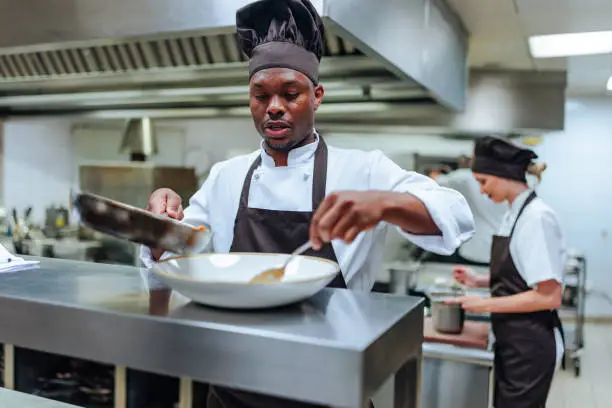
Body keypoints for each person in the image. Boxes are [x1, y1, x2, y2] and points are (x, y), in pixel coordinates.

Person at [140, 0, 475, 406]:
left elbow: (455, 213)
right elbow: (181, 253)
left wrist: (387, 204)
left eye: (290, 93)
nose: (274, 107)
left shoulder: (363, 169)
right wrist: (159, 227)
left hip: (330, 386)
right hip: (234, 384)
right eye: (260, 95)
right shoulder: (226, 176)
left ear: (316, 96)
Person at [447, 136, 566, 408]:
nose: (481, 191)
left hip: (530, 346)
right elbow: (524, 276)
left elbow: (549, 296)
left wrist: (484, 304)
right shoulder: (514, 213)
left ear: (503, 175)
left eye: (483, 182)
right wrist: (477, 280)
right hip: (512, 339)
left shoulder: (537, 217)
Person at [426, 154, 507, 265]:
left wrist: (435, 172)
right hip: (502, 253)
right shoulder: (511, 181)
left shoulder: (466, 177)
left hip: (474, 252)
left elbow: (433, 181)